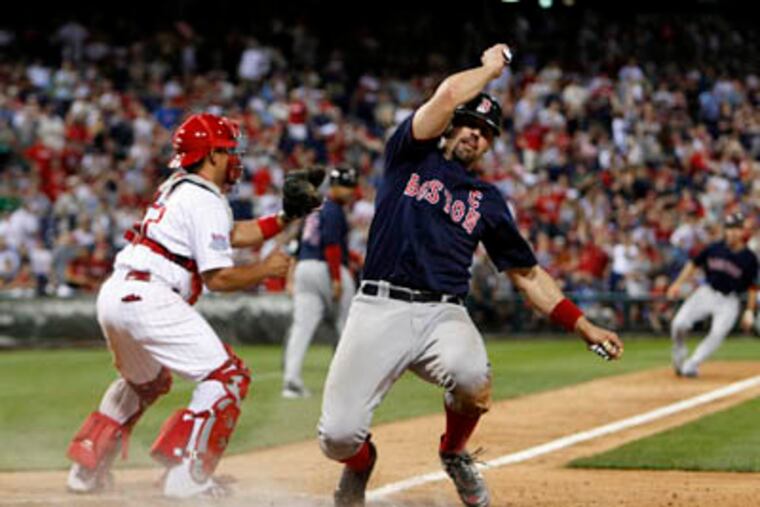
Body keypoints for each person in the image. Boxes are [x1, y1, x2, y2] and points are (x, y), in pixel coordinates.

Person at [317, 44, 623, 507]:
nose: (475, 135)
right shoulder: (408, 156)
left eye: (486, 132)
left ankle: (454, 451)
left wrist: (582, 324)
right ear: (451, 125)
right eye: (469, 123)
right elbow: (444, 97)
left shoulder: (487, 198)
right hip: (379, 307)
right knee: (338, 438)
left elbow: (527, 273)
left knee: (472, 375)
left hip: (444, 313)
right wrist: (488, 69)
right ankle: (361, 465)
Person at [65, 113, 323, 498]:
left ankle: (85, 471)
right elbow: (218, 279)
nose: (234, 157)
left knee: (146, 382)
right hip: (150, 297)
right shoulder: (203, 197)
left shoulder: (180, 188)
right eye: (228, 149)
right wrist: (264, 269)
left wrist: (285, 216)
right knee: (228, 376)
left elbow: (231, 234)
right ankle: (186, 477)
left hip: (118, 294)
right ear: (211, 155)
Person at [282, 165, 359, 398]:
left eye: (349, 186)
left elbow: (298, 246)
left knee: (301, 328)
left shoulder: (314, 209)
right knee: (346, 325)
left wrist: (290, 277)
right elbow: (332, 246)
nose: (348, 191)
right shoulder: (334, 210)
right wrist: (336, 279)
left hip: (304, 268)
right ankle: (346, 382)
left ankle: (291, 382)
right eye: (345, 186)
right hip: (327, 268)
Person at [667, 212, 758, 378]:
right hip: (706, 293)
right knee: (678, 324)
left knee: (717, 334)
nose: (732, 232)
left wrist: (749, 310)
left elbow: (753, 286)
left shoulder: (749, 258)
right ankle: (679, 351)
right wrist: (678, 283)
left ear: (743, 232)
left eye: (736, 228)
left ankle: (692, 364)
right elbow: (693, 264)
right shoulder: (715, 248)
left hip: (729, 300)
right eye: (730, 228)